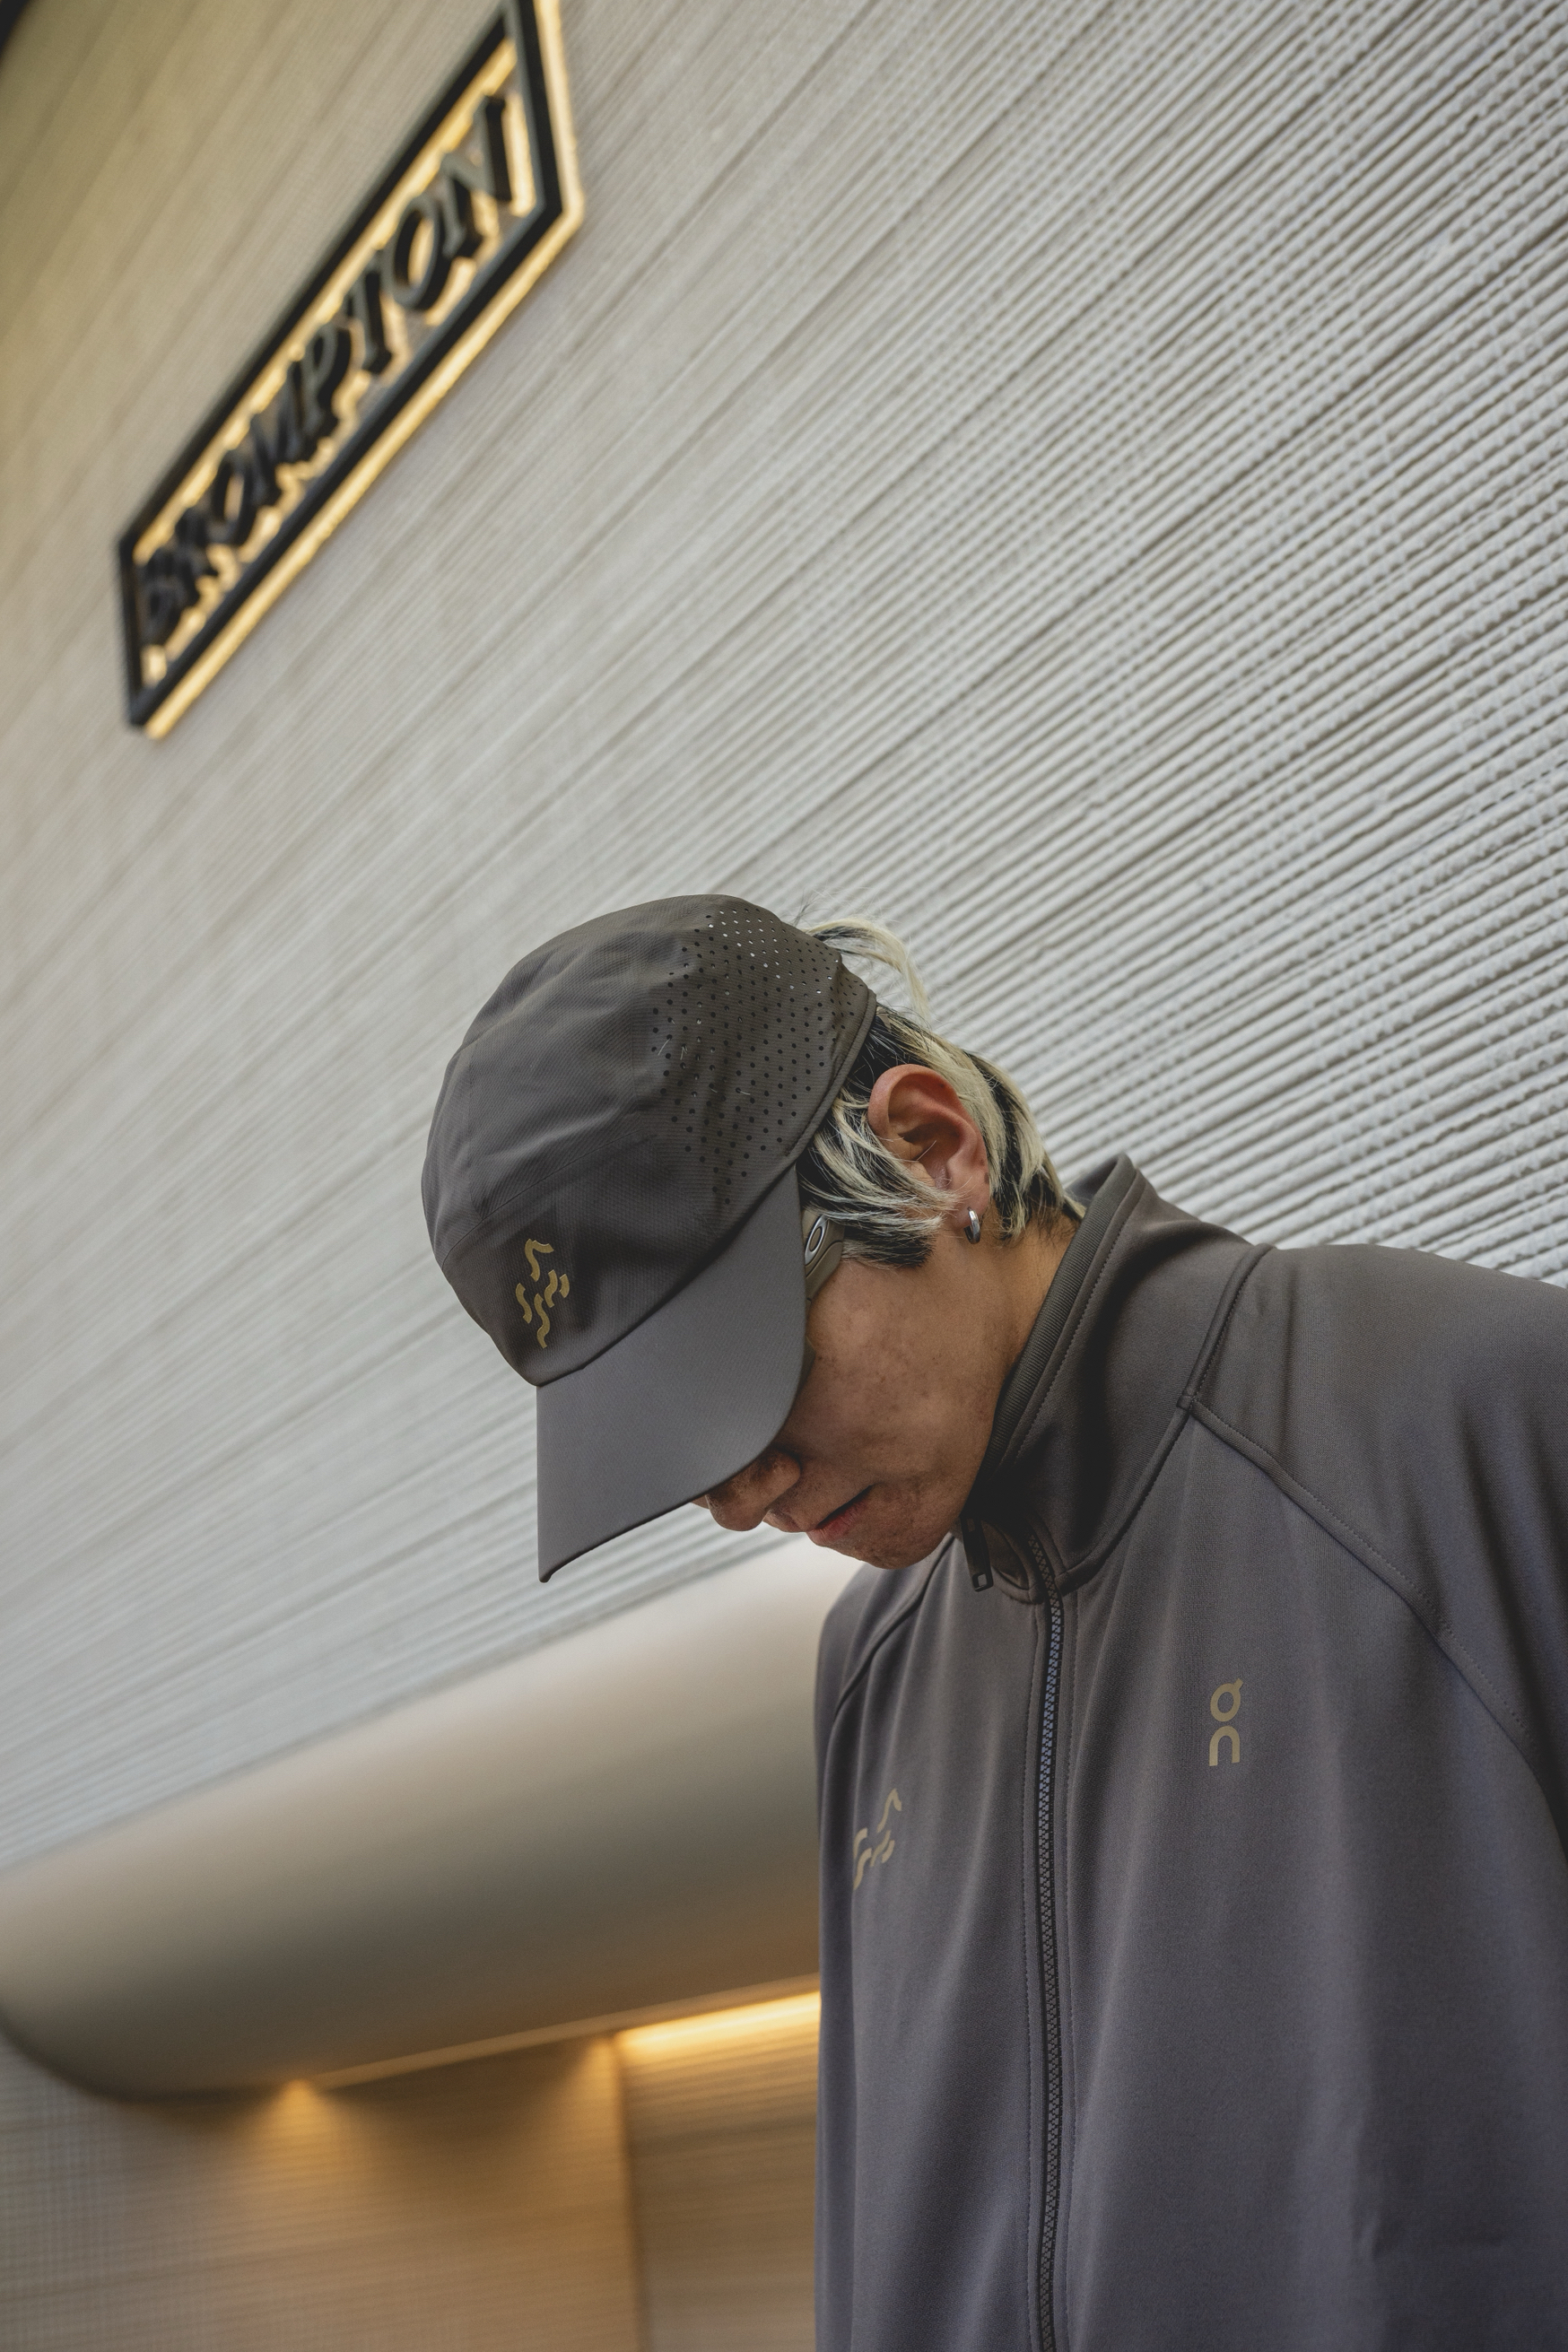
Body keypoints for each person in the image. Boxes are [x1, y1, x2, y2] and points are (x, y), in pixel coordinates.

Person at [423, 893, 1568, 2352]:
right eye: (678, 1455)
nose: (744, 1493)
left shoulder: (1466, 1428)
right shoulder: (873, 1672)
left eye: (747, 1382)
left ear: (932, 1148)